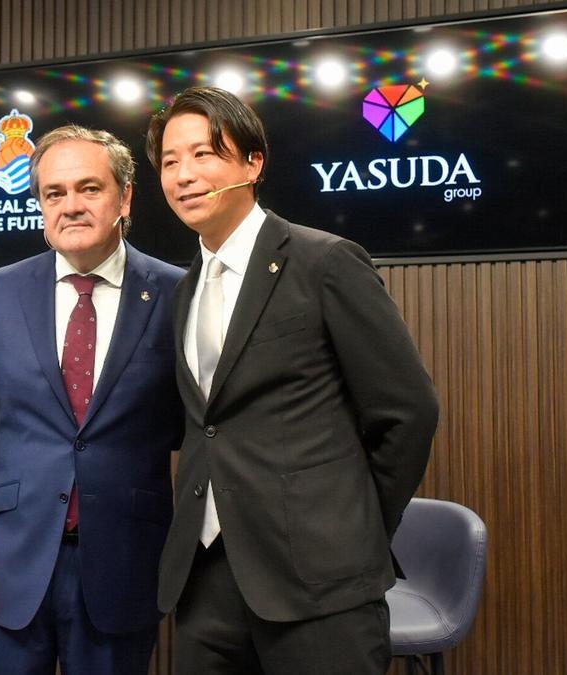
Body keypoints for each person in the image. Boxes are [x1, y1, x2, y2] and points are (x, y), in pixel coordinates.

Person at [146, 86, 440, 674]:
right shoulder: (183, 288)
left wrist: (349, 528)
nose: (184, 175)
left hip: (321, 581)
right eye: (171, 161)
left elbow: (407, 412)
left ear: (253, 163)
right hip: (207, 579)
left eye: (204, 154)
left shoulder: (324, 261)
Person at [0, 124, 185, 675]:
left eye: (89, 188)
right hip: (9, 567)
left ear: (124, 197)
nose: (70, 205)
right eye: (54, 193)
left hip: (124, 561)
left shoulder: (177, 292)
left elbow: (200, 428)